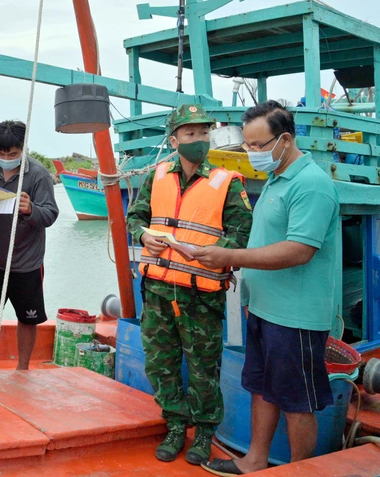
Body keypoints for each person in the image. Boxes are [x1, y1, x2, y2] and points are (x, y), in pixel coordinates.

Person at [199, 101, 340, 477]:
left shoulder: (312, 184)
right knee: (261, 387)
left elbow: (299, 250)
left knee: (297, 400)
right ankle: (255, 460)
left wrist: (234, 255)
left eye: (259, 145)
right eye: (247, 145)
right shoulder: (277, 178)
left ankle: (298, 471)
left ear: (285, 139)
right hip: (263, 308)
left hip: (295, 316)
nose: (252, 153)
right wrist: (245, 289)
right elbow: (266, 240)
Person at [126, 104, 253, 465]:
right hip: (158, 291)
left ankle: (205, 432)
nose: (199, 140)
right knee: (161, 363)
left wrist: (212, 251)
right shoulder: (156, 176)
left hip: (202, 295)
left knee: (203, 367)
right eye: (190, 134)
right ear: (174, 139)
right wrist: (142, 234)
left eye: (203, 133)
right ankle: (176, 425)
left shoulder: (227, 182)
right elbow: (135, 215)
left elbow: (242, 235)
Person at [0, 120, 58, 371]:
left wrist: (30, 209)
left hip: (27, 262)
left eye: (12, 154)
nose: (5, 158)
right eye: (0, 153)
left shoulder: (38, 174)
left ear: (23, 149)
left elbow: (50, 215)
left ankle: (23, 367)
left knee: (28, 317)